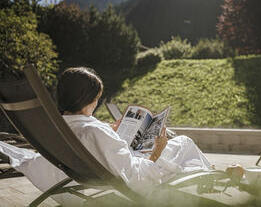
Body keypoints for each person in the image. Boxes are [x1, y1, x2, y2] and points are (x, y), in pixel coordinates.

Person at [56, 67, 212, 196]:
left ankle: (207, 175)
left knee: (181, 146)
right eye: (96, 97)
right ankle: (208, 177)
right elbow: (138, 179)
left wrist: (109, 130)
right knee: (184, 143)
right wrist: (157, 151)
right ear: (88, 99)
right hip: (143, 169)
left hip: (106, 168)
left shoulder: (62, 127)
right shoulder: (93, 132)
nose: (96, 102)